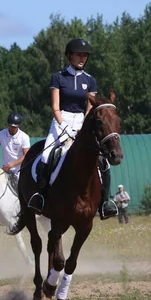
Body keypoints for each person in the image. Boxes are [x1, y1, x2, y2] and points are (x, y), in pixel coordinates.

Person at [27, 38, 118, 219]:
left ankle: (105, 202)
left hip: (82, 123)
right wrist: (63, 125)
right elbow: (55, 106)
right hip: (61, 119)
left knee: (102, 161)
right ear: (70, 56)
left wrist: (84, 126)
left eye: (85, 55)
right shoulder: (59, 77)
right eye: (79, 55)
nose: (82, 58)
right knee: (46, 155)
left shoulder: (90, 80)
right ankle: (41, 197)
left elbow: (90, 107)